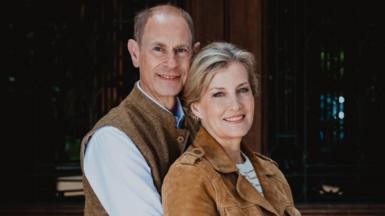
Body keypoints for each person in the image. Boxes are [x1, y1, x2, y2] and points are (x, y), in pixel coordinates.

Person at [80, 4, 200, 215]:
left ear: (194, 55)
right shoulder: (112, 138)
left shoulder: (202, 121)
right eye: (158, 49)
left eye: (181, 50)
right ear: (135, 54)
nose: (171, 63)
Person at [162, 42, 301, 216]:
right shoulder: (188, 175)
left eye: (242, 90)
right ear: (196, 108)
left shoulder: (271, 172)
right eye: (219, 94)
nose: (235, 105)